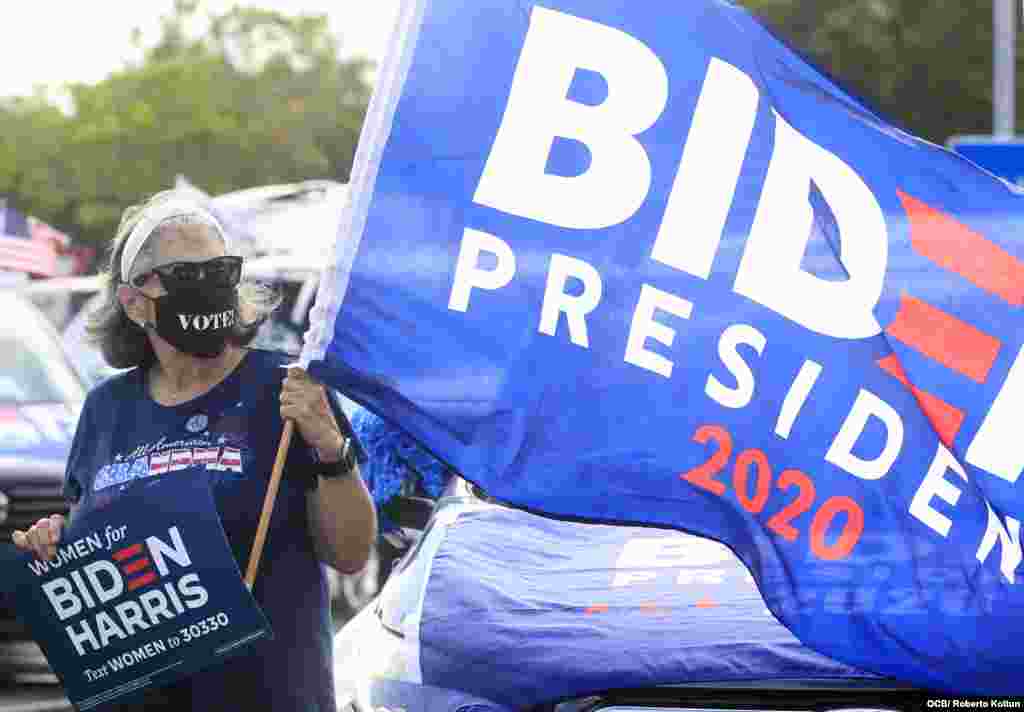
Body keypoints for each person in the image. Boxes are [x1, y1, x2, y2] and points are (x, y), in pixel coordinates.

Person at [11, 190, 377, 711]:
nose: (207, 289)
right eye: (185, 275)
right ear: (134, 303)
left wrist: (328, 446)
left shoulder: (288, 389)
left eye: (220, 272)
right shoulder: (106, 408)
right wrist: (60, 544)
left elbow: (350, 554)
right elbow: (100, 549)